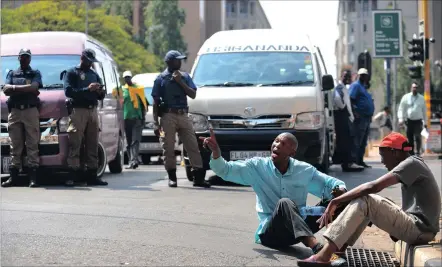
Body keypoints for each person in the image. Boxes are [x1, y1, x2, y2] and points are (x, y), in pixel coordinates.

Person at [298, 132, 441, 266]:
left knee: (367, 200)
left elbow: (373, 186)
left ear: (395, 152)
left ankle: (324, 256)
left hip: (420, 229)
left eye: (383, 155)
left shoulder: (411, 164)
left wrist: (336, 201)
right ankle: (338, 250)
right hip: (420, 228)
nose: (382, 161)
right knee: (368, 201)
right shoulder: (413, 163)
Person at [200, 129, 348, 256]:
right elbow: (226, 170)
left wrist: (339, 192)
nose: (277, 145)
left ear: (292, 152)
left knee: (344, 199)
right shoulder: (257, 167)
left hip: (298, 229)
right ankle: (317, 248)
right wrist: (216, 152)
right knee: (285, 203)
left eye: (283, 144)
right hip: (271, 234)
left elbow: (332, 185)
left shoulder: (304, 170)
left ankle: (336, 248)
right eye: (276, 141)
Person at [151, 50, 210, 188]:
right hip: (167, 116)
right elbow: (155, 102)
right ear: (169, 62)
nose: (180, 62)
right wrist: (155, 123)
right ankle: (172, 177)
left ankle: (198, 177)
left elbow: (193, 94)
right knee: (168, 147)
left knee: (192, 145)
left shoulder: (184, 76)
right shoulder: (160, 79)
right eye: (177, 60)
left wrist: (180, 82)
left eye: (181, 60)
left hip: (183, 115)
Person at [62, 49, 108, 186]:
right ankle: (72, 175)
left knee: (92, 143)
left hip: (92, 111)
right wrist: (88, 89)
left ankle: (92, 175)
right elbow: (68, 92)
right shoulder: (71, 72)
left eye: (91, 62)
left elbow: (101, 95)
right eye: (88, 61)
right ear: (82, 58)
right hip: (78, 110)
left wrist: (100, 91)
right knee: (75, 143)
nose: (90, 64)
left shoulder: (94, 74)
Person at [1, 48, 42, 188]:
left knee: (32, 144)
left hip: (30, 110)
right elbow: (5, 90)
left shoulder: (35, 73)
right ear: (18, 58)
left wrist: (14, 88)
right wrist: (27, 87)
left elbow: (35, 87)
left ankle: (33, 179)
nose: (24, 59)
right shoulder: (12, 73)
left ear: (30, 59)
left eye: (26, 57)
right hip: (15, 111)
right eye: (22, 57)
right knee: (15, 145)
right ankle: (13, 177)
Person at [332, 70, 363, 172]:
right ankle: (347, 164)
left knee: (348, 140)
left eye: (349, 77)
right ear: (341, 77)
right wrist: (343, 107)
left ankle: (348, 162)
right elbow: (337, 100)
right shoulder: (339, 88)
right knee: (345, 141)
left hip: (347, 117)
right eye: (345, 77)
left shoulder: (345, 88)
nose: (347, 79)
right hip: (342, 117)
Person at [122, 70, 148, 169]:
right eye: (125, 77)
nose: (127, 79)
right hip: (126, 118)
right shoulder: (122, 90)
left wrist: (143, 117)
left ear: (131, 77)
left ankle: (134, 160)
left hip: (137, 118)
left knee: (135, 140)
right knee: (128, 142)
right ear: (124, 79)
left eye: (128, 77)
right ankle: (130, 161)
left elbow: (144, 104)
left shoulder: (138, 89)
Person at [349, 68, 374, 168]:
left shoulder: (363, 87)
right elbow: (351, 99)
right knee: (357, 140)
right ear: (359, 75)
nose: (364, 77)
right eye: (362, 75)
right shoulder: (356, 86)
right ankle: (354, 160)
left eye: (365, 75)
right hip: (360, 118)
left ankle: (360, 160)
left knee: (363, 141)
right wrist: (355, 112)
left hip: (367, 118)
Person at [397, 82, 427, 156]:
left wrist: (425, 122)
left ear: (418, 89)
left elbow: (424, 111)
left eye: (416, 87)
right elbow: (401, 108)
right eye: (413, 87)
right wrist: (400, 119)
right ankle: (411, 152)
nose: (415, 89)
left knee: (417, 136)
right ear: (411, 88)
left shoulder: (421, 98)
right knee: (409, 138)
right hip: (409, 121)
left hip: (418, 121)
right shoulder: (406, 97)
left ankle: (418, 152)